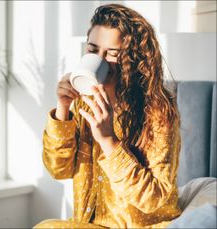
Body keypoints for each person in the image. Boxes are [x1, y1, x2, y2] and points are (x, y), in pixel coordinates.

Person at [34, 3, 182, 229]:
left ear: (133, 58)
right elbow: (58, 169)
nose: (100, 59)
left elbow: (154, 199)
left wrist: (108, 141)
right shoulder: (85, 101)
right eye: (93, 50)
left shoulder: (157, 112)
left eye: (112, 53)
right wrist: (63, 108)